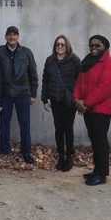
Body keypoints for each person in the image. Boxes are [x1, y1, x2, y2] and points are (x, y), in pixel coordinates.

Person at [73, 35, 111, 186]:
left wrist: (85, 103)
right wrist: (77, 99)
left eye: (97, 45)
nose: (93, 48)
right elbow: (79, 82)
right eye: (91, 45)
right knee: (94, 139)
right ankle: (96, 170)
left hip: (101, 109)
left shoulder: (109, 63)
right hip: (88, 108)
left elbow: (105, 88)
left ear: (104, 46)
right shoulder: (87, 62)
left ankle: (101, 173)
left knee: (100, 140)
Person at [0, 26, 38, 164]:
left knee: (25, 124)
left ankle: (26, 152)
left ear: (18, 37)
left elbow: (33, 74)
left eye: (14, 35)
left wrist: (33, 94)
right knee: (4, 123)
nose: (12, 37)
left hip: (23, 93)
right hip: (5, 93)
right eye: (9, 34)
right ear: (5, 37)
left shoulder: (26, 52)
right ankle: (5, 150)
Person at [41, 35, 81, 172]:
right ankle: (61, 156)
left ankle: (69, 156)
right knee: (58, 129)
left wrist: (77, 97)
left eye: (62, 44)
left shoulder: (74, 60)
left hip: (69, 101)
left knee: (68, 129)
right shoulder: (50, 60)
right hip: (55, 100)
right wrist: (44, 99)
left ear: (67, 46)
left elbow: (80, 81)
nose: (60, 47)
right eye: (58, 44)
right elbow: (45, 80)